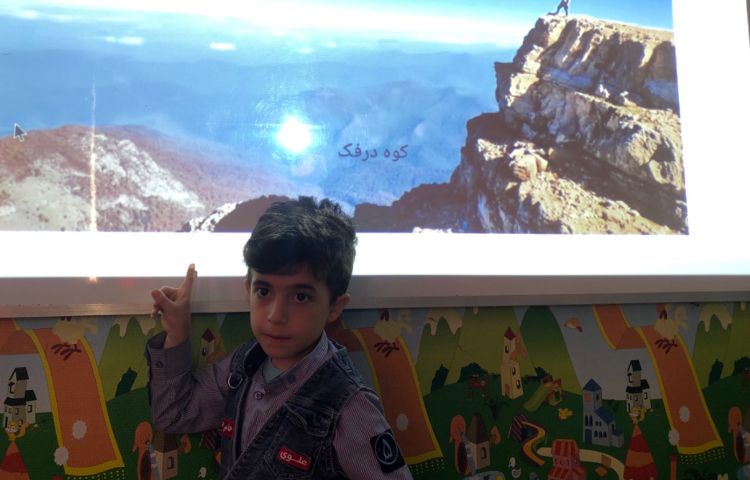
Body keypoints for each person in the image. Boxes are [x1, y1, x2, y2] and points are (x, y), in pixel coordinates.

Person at [145, 197, 413, 479]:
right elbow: (174, 414)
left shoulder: (349, 405)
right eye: (263, 291)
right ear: (248, 290)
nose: (276, 315)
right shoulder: (241, 367)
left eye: (301, 297)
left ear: (335, 306)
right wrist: (177, 332)